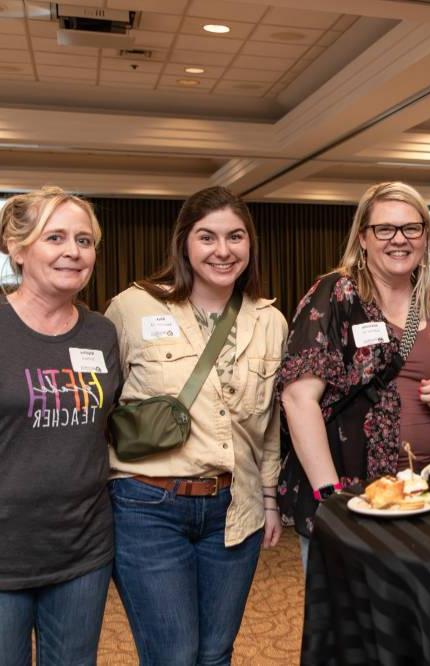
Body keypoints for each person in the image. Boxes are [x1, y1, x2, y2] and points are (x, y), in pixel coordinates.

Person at [104, 186, 286, 665]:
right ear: (184, 242)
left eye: (235, 237)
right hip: (147, 506)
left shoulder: (270, 321)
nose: (222, 251)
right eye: (207, 237)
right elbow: (101, 407)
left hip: (235, 508)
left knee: (215, 654)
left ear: (251, 244)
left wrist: (269, 499)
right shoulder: (132, 308)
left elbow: (269, 428)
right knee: (174, 656)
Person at [278, 182, 430, 553]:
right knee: (349, 611)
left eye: (412, 228)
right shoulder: (337, 295)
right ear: (363, 237)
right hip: (353, 498)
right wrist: (330, 496)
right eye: (384, 229)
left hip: (425, 495)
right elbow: (298, 400)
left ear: (425, 237)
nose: (399, 239)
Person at [0, 187, 122, 666]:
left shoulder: (101, 332)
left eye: (85, 240)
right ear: (17, 248)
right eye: (56, 237)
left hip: (82, 551)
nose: (74, 251)